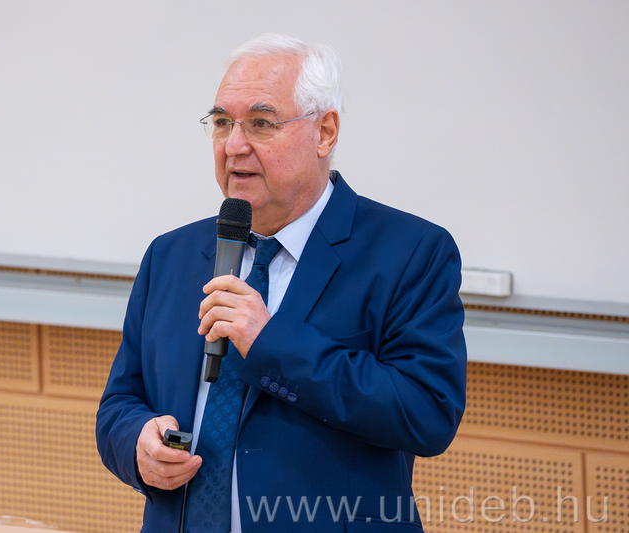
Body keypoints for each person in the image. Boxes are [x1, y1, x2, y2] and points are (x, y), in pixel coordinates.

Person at [96, 33, 467, 532]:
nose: (234, 146)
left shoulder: (409, 252)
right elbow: (120, 403)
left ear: (325, 132)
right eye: (222, 123)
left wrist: (271, 343)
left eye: (261, 123)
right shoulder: (172, 255)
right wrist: (137, 445)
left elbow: (426, 414)